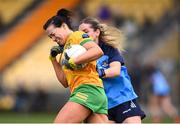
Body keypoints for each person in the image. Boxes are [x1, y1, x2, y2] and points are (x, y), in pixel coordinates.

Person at [43, 9, 109, 123]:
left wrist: (75, 61)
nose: (53, 39)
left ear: (63, 26)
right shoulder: (65, 52)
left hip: (87, 90)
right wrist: (53, 59)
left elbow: (97, 51)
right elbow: (64, 82)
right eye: (50, 37)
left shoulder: (76, 36)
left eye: (53, 34)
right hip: (93, 92)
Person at [79, 17, 146, 123]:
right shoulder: (82, 54)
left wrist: (97, 73)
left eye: (86, 31)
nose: (83, 36)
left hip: (123, 98)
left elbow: (115, 71)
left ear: (97, 32)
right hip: (104, 104)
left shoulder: (109, 48)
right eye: (80, 34)